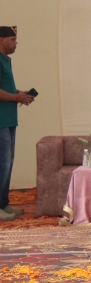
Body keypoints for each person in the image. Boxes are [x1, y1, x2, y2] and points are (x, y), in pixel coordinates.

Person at [0, 26, 35, 222]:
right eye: (12, 39)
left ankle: (3, 203)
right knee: (2, 164)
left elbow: (5, 87)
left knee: (7, 163)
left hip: (8, 119)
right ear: (1, 40)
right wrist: (16, 97)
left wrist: (19, 94)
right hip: (1, 121)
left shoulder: (5, 60)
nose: (16, 43)